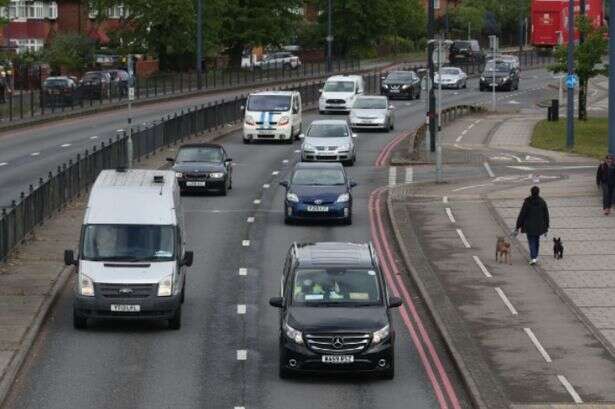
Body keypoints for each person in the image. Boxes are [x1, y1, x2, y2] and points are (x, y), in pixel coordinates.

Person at [515, 186, 550, 265]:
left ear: (531, 192)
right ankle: (535, 256)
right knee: (537, 240)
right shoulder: (542, 202)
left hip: (529, 225)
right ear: (538, 192)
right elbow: (546, 215)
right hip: (539, 226)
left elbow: (522, 214)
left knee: (531, 241)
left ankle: (533, 257)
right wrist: (546, 226)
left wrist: (517, 226)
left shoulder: (527, 202)